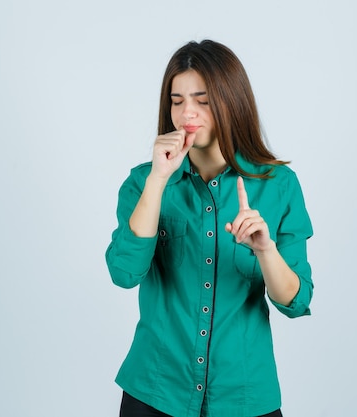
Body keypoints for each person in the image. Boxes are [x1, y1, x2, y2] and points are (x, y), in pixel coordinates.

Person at [105, 40, 313, 417]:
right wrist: (157, 181)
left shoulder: (278, 185)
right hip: (155, 392)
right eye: (177, 100)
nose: (188, 113)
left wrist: (265, 250)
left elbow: (295, 302)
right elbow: (124, 272)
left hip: (245, 396)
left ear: (230, 101)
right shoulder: (143, 183)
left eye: (202, 99)